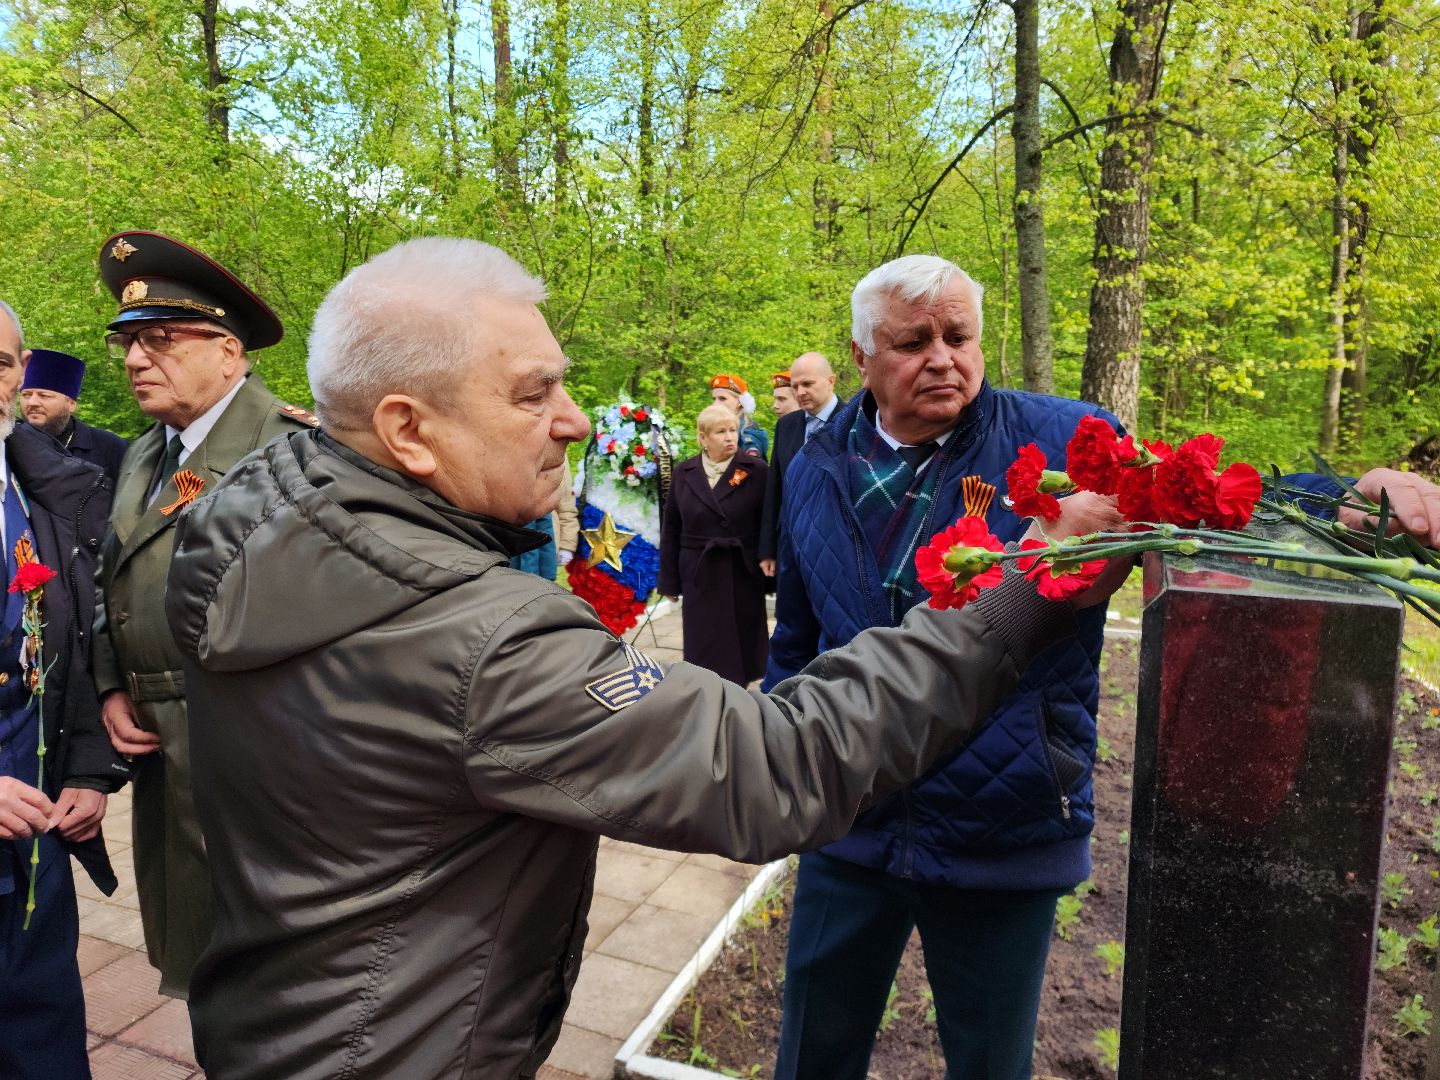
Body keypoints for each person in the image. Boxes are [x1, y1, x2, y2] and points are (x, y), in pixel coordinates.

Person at [163, 236, 1130, 1080]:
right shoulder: (482, 642)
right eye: (534, 393)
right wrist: (1024, 589)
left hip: (282, 1021)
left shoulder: (247, 525)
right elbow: (772, 760)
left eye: (957, 337)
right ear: (407, 429)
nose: (576, 418)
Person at [765, 253, 1440, 1080]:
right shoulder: (812, 468)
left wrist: (1336, 499)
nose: (943, 358)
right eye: (913, 342)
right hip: (850, 823)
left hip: (1002, 829)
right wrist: (787, 782)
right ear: (863, 357)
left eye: (959, 335)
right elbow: (795, 642)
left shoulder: (1062, 440)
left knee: (989, 1064)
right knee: (811, 1057)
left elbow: (1203, 499)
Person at [91, 231, 319, 999]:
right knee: (196, 955)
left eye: (159, 339)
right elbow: (112, 576)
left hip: (257, 753)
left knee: (279, 969)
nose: (132, 359)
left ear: (227, 350)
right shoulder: (142, 454)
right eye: (127, 341)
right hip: (164, 745)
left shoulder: (293, 452)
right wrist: (109, 685)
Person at [0, 298, 129, 1080]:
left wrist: (85, 766)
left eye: (1, 363)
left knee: (40, 1030)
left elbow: (73, 638)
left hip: (40, 823)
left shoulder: (49, 490)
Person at [659, 403, 770, 684]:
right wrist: (669, 582)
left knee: (742, 640)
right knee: (704, 641)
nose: (730, 437)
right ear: (703, 438)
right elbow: (670, 528)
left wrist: (769, 563)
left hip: (741, 569)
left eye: (733, 430)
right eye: (721, 432)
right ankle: (705, 692)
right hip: (699, 571)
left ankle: (739, 697)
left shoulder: (756, 470)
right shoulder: (684, 473)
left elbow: (769, 522)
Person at [759, 351, 842, 577]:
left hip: (837, 548)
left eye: (807, 384)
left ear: (830, 381)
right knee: (790, 612)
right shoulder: (786, 426)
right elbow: (774, 489)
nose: (800, 392)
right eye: (795, 386)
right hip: (790, 545)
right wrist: (768, 549)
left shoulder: (854, 422)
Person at [20, 348, 128, 486]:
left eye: (44, 396)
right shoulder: (8, 443)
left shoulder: (109, 447)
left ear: (71, 404)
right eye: (26, 395)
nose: (32, 402)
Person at [510, 460, 580, 579]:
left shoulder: (553, 448)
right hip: (505, 539)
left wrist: (567, 544)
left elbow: (565, 501)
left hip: (545, 543)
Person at [709, 372, 769, 459]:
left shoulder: (748, 433)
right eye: (714, 399)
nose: (715, 404)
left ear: (740, 402)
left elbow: (750, 469)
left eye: (722, 398)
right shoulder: (722, 428)